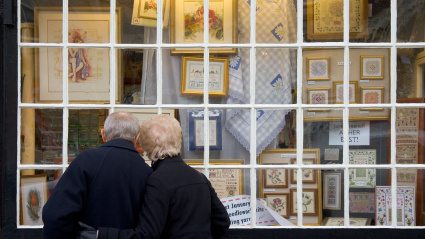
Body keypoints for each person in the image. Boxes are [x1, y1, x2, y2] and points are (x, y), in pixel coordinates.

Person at [82, 114, 230, 239]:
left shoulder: (157, 180)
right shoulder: (200, 178)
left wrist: (100, 234)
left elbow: (146, 235)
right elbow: (222, 222)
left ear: (147, 145)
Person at [42, 112, 153, 239]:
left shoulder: (85, 161)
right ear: (136, 138)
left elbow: (55, 216)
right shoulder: (147, 172)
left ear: (103, 135)